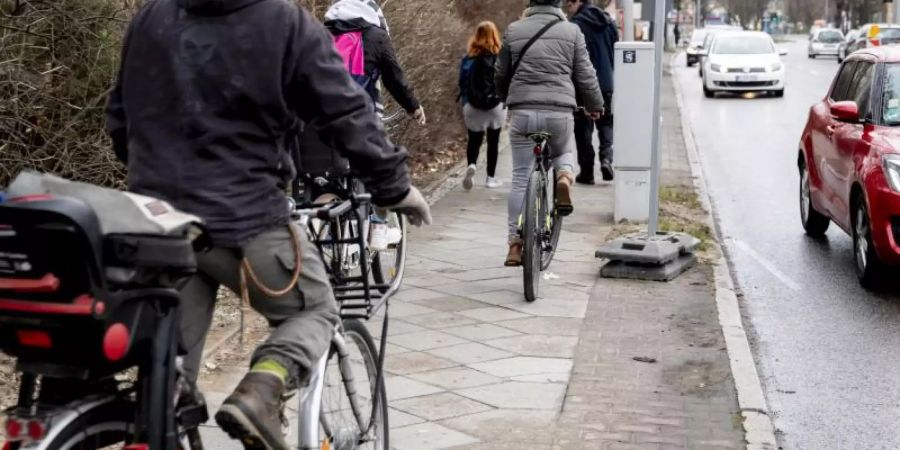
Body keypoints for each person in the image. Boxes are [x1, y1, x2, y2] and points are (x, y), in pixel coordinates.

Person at [104, 0, 432, 448]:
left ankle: (154, 423)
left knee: (167, 372)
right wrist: (393, 187)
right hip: (245, 216)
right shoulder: (283, 23)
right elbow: (344, 112)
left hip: (160, 221)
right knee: (315, 309)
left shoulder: (150, 17)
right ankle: (264, 389)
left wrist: (160, 180)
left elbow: (121, 118)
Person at [496, 0, 604, 266]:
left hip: (523, 112)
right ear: (560, 4)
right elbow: (585, 74)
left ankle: (514, 244)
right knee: (563, 150)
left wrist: (504, 97)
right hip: (559, 111)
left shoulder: (514, 29)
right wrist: (595, 105)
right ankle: (565, 176)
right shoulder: (572, 32)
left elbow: (500, 72)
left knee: (521, 176)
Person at [567, 0, 618, 184]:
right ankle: (606, 158)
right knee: (606, 122)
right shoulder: (608, 22)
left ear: (578, 2)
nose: (568, 7)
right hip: (606, 82)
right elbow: (616, 48)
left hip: (582, 84)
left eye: (569, 3)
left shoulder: (574, 26)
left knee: (583, 128)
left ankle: (587, 171)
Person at [459, 21, 506, 191]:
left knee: (474, 140)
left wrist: (465, 102)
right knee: (493, 141)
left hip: (472, 106)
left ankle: (472, 164)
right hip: (496, 106)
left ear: (476, 35)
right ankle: (490, 178)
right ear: (495, 35)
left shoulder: (468, 59)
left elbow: (461, 83)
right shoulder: (501, 57)